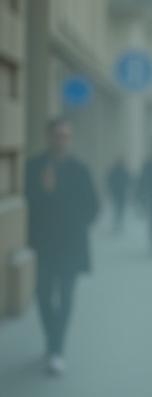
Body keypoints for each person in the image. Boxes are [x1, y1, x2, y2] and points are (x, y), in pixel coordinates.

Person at [25, 118, 99, 374]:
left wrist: (76, 222)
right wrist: (44, 191)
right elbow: (27, 204)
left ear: (71, 138)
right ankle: (52, 341)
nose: (61, 139)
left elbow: (93, 206)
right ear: (48, 136)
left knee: (66, 298)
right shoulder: (33, 167)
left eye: (66, 135)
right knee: (44, 295)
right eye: (57, 134)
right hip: (44, 245)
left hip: (71, 245)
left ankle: (56, 349)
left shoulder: (79, 169)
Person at [106, 158, 131, 234]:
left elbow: (108, 180)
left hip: (115, 191)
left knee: (116, 207)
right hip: (122, 192)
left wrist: (110, 188)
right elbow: (129, 181)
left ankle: (117, 221)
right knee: (121, 207)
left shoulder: (113, 171)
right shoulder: (124, 171)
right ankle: (119, 221)